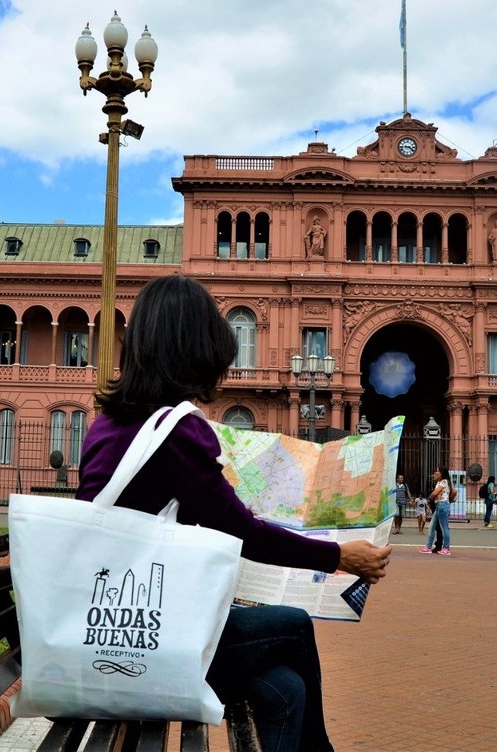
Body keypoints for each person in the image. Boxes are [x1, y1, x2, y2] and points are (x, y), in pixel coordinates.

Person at [76, 274, 390, 752]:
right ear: (194, 349)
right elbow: (244, 532)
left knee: (286, 690)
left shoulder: (108, 424)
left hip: (108, 622)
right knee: (294, 625)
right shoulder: (179, 432)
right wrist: (339, 556)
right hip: (151, 638)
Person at [419, 468, 454, 556]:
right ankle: (428, 547)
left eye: (436, 472)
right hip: (439, 505)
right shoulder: (440, 483)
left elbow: (435, 493)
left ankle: (446, 548)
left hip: (442, 505)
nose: (434, 474)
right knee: (432, 526)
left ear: (441, 474)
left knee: (444, 527)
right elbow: (453, 491)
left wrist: (430, 497)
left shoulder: (444, 481)